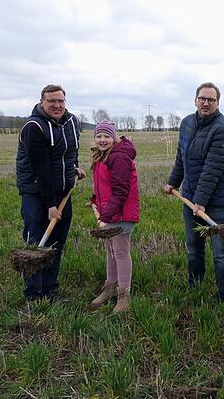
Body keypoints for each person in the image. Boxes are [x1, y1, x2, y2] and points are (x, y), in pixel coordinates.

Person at [164, 82, 224, 301]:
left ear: (217, 103)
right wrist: (173, 182)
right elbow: (182, 157)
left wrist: (201, 201)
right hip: (190, 198)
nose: (206, 103)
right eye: (202, 98)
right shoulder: (186, 123)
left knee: (219, 252)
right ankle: (195, 286)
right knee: (194, 248)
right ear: (195, 100)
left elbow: (212, 169)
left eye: (211, 100)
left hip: (215, 202)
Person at [16, 84, 85, 301]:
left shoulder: (71, 122)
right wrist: (50, 205)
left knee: (57, 242)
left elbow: (70, 151)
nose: (57, 105)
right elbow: (41, 169)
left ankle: (50, 288)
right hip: (36, 193)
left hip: (63, 191)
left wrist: (74, 167)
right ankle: (33, 293)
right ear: (41, 102)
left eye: (60, 101)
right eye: (51, 101)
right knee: (37, 242)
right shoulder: (33, 127)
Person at [88, 121, 140, 313]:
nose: (102, 140)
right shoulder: (102, 155)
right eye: (99, 136)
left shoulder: (118, 157)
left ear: (114, 137)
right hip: (109, 212)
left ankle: (124, 295)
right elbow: (105, 185)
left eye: (106, 136)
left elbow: (120, 191)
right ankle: (109, 288)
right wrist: (95, 199)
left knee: (120, 252)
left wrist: (106, 216)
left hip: (121, 213)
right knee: (110, 251)